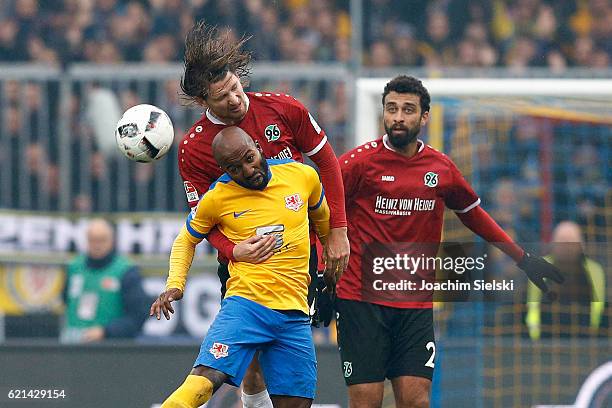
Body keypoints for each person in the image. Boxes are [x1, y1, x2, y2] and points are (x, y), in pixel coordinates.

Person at [335, 75, 564, 408]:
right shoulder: (357, 163)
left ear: (424, 117)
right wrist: (319, 272)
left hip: (414, 305)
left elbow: (473, 214)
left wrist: (522, 257)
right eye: (392, 108)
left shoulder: (440, 168)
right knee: (366, 402)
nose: (398, 117)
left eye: (408, 110)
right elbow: (321, 211)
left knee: (416, 402)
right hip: (361, 300)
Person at [176, 21, 348, 407]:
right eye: (223, 97)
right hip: (244, 266)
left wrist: (337, 230)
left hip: (297, 254)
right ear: (205, 101)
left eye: (236, 88)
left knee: (287, 358)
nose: (236, 100)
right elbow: (200, 222)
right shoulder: (195, 149)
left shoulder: (284, 109)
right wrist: (234, 250)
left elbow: (328, 163)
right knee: (251, 362)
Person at [150, 127, 330, 408]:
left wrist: (327, 270)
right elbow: (186, 239)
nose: (247, 170)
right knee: (204, 380)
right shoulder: (217, 197)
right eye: (235, 168)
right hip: (246, 306)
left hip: (294, 314)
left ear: (258, 147)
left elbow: (324, 222)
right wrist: (175, 284)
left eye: (250, 158)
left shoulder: (302, 176)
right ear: (223, 169)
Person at [61, 218, 148, 343]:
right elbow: (65, 300)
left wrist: (107, 331)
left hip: (110, 350)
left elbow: (138, 315)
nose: (97, 245)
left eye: (101, 240)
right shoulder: (74, 267)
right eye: (92, 240)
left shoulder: (126, 271)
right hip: (73, 344)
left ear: (112, 241)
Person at [526, 221, 606, 340]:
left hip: (584, 340)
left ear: (581, 246)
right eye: (562, 242)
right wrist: (536, 339)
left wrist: (591, 336)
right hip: (547, 340)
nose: (567, 247)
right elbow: (532, 307)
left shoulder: (594, 270)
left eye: (571, 242)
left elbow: (599, 307)